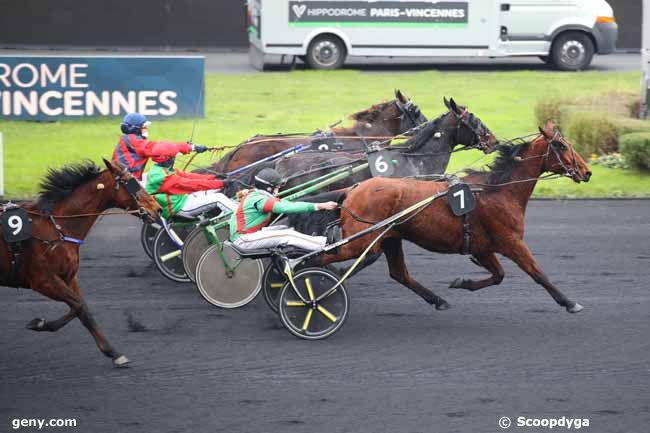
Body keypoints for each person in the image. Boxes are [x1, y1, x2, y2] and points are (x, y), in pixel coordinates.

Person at [229, 168, 338, 252]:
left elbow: (287, 204)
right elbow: (286, 207)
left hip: (246, 237)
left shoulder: (256, 195)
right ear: (269, 187)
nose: (278, 189)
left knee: (287, 228)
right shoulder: (259, 200)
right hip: (243, 240)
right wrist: (319, 206)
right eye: (277, 187)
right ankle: (325, 245)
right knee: (287, 235)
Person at [112, 112, 209, 180]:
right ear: (135, 129)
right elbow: (161, 149)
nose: (146, 129)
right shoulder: (133, 141)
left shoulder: (128, 138)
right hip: (126, 182)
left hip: (125, 178)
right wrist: (192, 147)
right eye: (144, 127)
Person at [145, 155, 237, 219]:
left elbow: (188, 176)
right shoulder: (163, 176)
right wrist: (221, 183)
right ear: (168, 159)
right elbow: (192, 184)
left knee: (215, 191)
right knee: (218, 198)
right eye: (173, 156)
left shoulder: (161, 169)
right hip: (178, 208)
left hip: (179, 201)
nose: (174, 159)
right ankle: (242, 217)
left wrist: (213, 177)